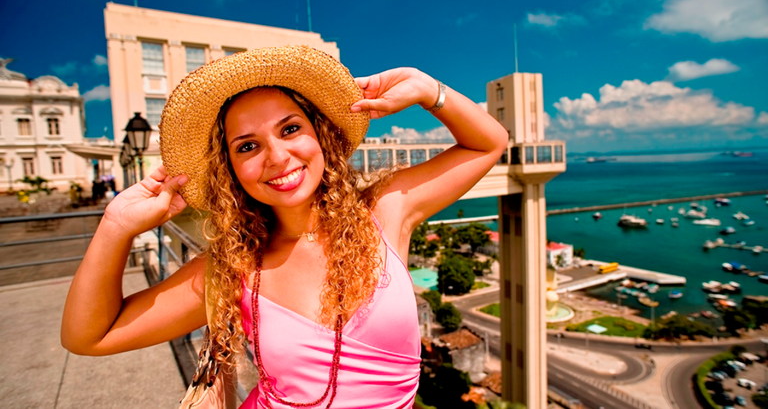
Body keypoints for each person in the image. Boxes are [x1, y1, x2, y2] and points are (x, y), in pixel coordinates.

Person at [61, 45, 507, 408]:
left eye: (290, 129)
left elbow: (488, 143)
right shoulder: (234, 268)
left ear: (321, 135)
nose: (276, 156)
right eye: (248, 145)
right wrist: (116, 226)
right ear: (230, 169)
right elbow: (89, 336)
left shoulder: (385, 212)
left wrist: (430, 90)